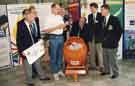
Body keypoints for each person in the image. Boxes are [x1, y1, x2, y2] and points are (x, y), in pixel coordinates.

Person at [16, 9, 50, 86]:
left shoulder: (33, 22)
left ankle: (42, 76)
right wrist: (22, 50)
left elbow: (35, 35)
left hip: (35, 48)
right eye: (29, 14)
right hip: (26, 49)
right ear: (24, 16)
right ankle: (29, 81)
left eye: (31, 14)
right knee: (28, 66)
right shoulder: (20, 24)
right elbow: (19, 39)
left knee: (38, 63)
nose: (32, 16)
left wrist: (39, 42)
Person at [43, 3, 68, 80]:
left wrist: (64, 27)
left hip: (61, 37)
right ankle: (54, 72)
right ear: (52, 9)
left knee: (60, 55)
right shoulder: (48, 18)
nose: (59, 10)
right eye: (57, 8)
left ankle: (59, 70)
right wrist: (58, 27)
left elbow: (61, 28)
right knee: (54, 56)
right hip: (53, 38)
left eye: (59, 9)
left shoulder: (59, 17)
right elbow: (46, 30)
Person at [100, 4, 123, 79]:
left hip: (112, 44)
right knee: (105, 59)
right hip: (104, 43)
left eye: (102, 10)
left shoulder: (114, 19)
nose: (101, 11)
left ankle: (115, 73)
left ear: (107, 10)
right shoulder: (102, 19)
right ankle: (107, 71)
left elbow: (120, 31)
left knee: (113, 60)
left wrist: (116, 40)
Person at [88, 2, 104, 71]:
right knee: (92, 52)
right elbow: (90, 26)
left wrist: (95, 24)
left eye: (92, 8)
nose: (91, 9)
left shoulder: (101, 15)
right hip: (91, 37)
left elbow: (101, 26)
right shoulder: (89, 16)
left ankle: (101, 66)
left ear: (96, 8)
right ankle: (92, 65)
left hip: (99, 37)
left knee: (99, 52)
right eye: (90, 8)